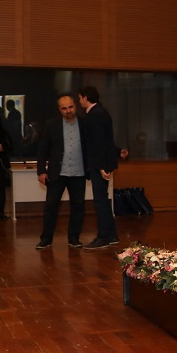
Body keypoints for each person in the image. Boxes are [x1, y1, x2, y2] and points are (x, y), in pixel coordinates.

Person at [35, 94, 88, 250]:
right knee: (51, 207)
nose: (68, 111)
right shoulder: (52, 125)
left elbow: (96, 143)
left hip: (79, 172)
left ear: (75, 106)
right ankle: (46, 239)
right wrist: (41, 171)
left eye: (70, 107)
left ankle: (74, 238)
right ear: (59, 109)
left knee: (78, 207)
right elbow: (42, 149)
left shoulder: (84, 123)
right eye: (64, 108)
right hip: (57, 173)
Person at [78, 85, 125, 249]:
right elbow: (104, 140)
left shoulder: (95, 114)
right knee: (102, 200)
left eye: (80, 98)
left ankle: (104, 236)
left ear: (85, 97)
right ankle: (111, 235)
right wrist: (116, 152)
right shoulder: (100, 112)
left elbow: (98, 143)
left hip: (99, 164)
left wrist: (101, 166)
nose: (79, 101)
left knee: (100, 201)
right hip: (101, 163)